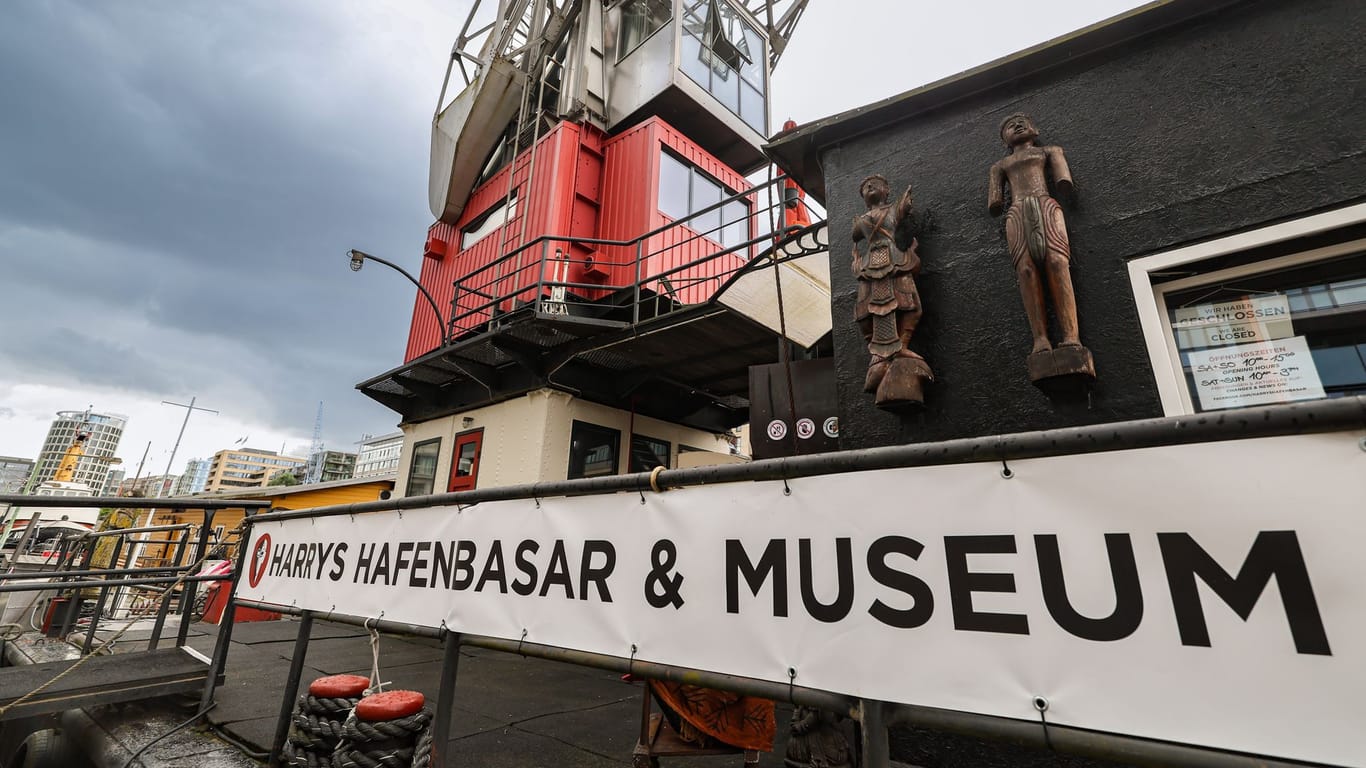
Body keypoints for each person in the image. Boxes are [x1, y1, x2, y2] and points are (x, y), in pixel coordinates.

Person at [987, 113, 1081, 355]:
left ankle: (1071, 335)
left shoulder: (1049, 151)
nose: (1017, 125)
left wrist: (1062, 175)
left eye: (1022, 122)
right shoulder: (999, 166)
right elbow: (995, 201)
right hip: (1017, 213)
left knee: (1058, 263)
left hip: (1046, 206)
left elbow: (1063, 180)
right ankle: (1040, 338)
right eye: (1009, 125)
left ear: (1035, 130)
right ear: (1004, 140)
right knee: (1026, 271)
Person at [851, 175, 931, 405]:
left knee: (912, 305)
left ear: (886, 190)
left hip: (894, 259)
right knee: (864, 313)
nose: (869, 187)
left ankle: (902, 345)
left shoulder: (894, 209)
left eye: (875, 184)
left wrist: (904, 203)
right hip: (869, 264)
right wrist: (856, 258)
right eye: (865, 186)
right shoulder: (860, 220)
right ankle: (876, 353)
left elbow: (903, 209)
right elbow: (855, 239)